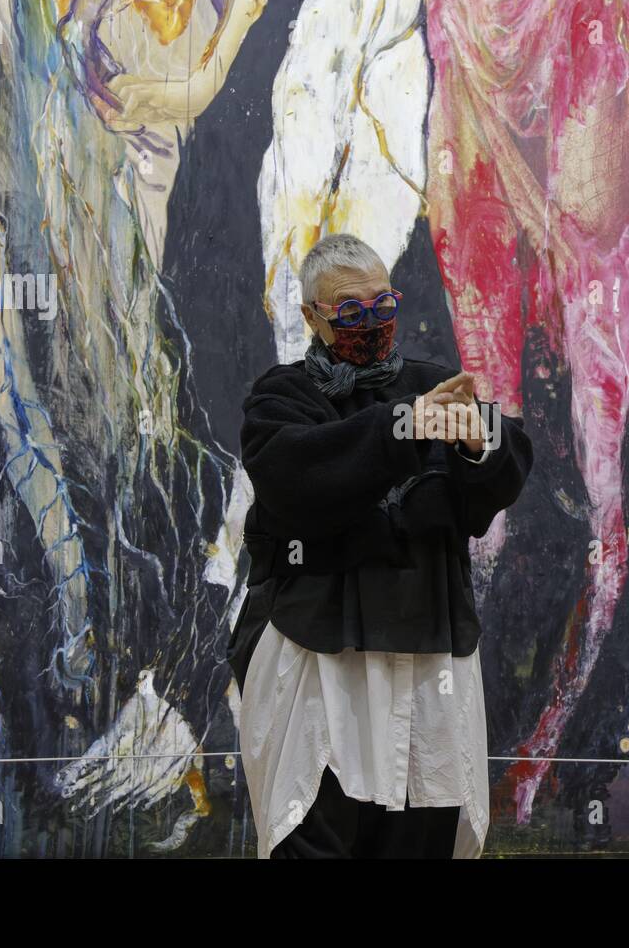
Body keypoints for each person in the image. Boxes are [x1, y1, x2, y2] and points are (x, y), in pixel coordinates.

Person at [231, 233, 533, 857]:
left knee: (422, 836)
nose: (370, 324)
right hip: (319, 656)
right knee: (311, 833)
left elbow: (506, 459)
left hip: (431, 657)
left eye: (382, 307)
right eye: (350, 313)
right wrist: (403, 426)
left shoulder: (436, 383)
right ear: (312, 315)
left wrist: (478, 443)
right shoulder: (281, 396)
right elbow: (295, 476)